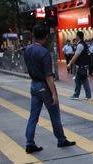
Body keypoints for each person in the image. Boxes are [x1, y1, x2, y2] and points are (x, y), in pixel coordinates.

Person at [23, 25, 75, 154]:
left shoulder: (27, 50)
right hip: (44, 86)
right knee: (54, 115)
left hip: (33, 85)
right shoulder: (44, 52)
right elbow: (49, 76)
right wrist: (54, 94)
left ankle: (29, 143)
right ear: (46, 36)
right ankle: (61, 140)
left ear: (34, 35)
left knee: (33, 116)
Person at [67, 31, 92, 100]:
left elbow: (76, 55)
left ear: (78, 36)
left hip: (81, 66)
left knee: (78, 80)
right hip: (84, 66)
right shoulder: (84, 44)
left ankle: (76, 95)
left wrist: (70, 63)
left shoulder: (80, 45)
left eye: (76, 35)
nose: (75, 37)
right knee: (83, 80)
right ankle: (88, 95)